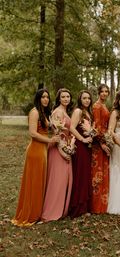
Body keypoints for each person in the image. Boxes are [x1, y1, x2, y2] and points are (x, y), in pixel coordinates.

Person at [12, 89, 59, 227]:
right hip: (35, 150)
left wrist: (55, 126)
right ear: (38, 98)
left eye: (47, 97)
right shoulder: (35, 112)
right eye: (43, 97)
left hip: (43, 150)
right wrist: (50, 140)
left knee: (40, 181)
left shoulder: (44, 113)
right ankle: (30, 214)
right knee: (34, 182)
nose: (46, 99)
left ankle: (37, 212)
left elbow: (49, 127)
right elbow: (32, 133)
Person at [41, 88, 74, 222]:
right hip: (57, 149)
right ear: (59, 99)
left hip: (65, 146)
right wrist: (61, 150)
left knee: (64, 179)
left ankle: (61, 209)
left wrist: (69, 147)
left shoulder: (65, 111)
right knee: (57, 180)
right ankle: (52, 210)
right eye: (63, 97)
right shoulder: (57, 112)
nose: (66, 99)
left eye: (68, 97)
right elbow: (56, 133)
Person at [69, 90, 94, 217]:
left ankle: (85, 206)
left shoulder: (89, 113)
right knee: (80, 175)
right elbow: (72, 128)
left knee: (85, 176)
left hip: (88, 148)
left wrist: (91, 135)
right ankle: (78, 208)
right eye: (84, 98)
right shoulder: (78, 111)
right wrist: (82, 139)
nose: (87, 100)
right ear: (80, 99)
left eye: (89, 98)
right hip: (80, 146)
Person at [91, 84, 110, 213]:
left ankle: (104, 204)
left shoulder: (104, 106)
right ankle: (96, 205)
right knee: (97, 173)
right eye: (102, 91)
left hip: (105, 140)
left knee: (104, 171)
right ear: (98, 93)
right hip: (98, 144)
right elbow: (97, 126)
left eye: (106, 91)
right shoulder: (96, 106)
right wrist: (102, 143)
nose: (104, 93)